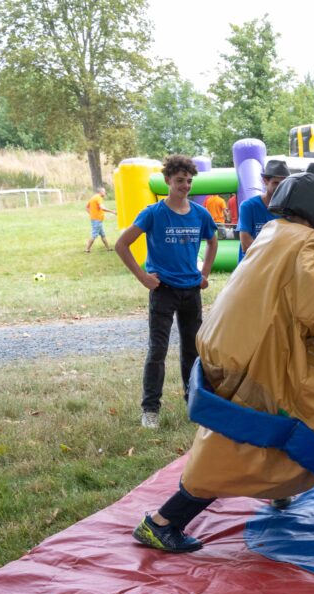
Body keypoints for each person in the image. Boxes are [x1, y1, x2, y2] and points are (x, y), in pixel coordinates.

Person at [132, 164, 314, 553]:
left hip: (230, 345)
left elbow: (290, 287)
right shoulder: (303, 241)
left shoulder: (274, 234)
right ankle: (163, 520)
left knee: (271, 422)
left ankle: (277, 492)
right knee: (275, 427)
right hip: (252, 355)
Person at [115, 155, 218, 429]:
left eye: (189, 181)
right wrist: (143, 277)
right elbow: (122, 244)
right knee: (157, 351)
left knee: (192, 352)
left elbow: (212, 241)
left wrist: (204, 274)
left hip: (191, 291)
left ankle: (194, 403)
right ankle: (150, 409)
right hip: (163, 290)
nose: (185, 186)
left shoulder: (200, 214)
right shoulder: (153, 213)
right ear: (167, 181)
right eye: (179, 181)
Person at [238, 159, 290, 260]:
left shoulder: (290, 209)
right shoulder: (249, 206)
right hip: (251, 267)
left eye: (283, 184)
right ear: (265, 181)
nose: (280, 187)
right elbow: (246, 244)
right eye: (276, 183)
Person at [84, 187, 116, 252]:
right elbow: (102, 208)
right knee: (94, 235)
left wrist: (92, 214)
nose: (105, 193)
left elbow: (87, 208)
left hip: (96, 219)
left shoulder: (93, 197)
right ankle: (87, 249)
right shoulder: (99, 198)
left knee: (102, 234)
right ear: (100, 192)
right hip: (97, 220)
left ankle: (108, 248)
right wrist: (112, 211)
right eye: (104, 192)